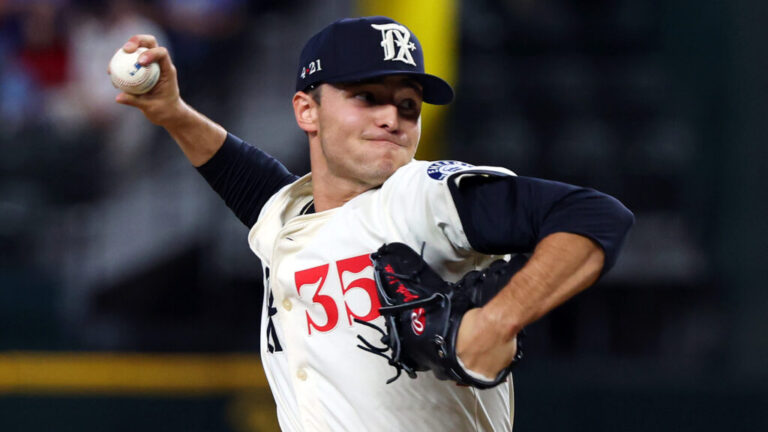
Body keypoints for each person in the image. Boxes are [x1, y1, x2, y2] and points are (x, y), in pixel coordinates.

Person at [113, 16, 633, 432]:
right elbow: (248, 181)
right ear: (306, 111)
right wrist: (175, 113)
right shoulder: (290, 216)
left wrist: (499, 320)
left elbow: (595, 215)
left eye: (408, 105)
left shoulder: (424, 197)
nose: (392, 117)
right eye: (367, 98)